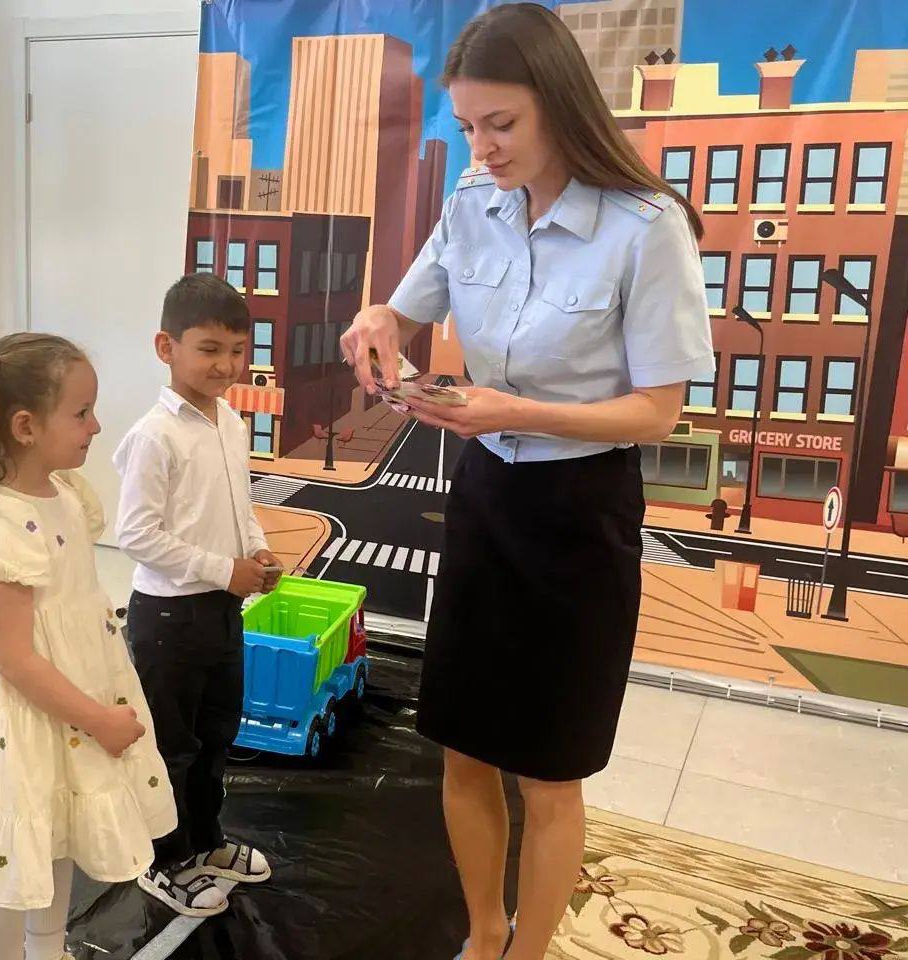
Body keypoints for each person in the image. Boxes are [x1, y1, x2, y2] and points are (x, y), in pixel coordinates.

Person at [340, 6, 715, 960]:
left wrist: (516, 410)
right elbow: (405, 307)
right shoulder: (475, 200)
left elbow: (656, 413)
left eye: (501, 123)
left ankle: (531, 950)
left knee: (550, 769)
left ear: (560, 102)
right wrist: (378, 318)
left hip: (579, 514)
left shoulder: (646, 227)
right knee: (463, 743)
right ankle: (483, 935)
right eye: (469, 126)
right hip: (488, 499)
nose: (484, 147)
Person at [0, 333, 176, 960]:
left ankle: (47, 950)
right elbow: (14, 659)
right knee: (15, 857)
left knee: (57, 845)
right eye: (81, 413)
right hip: (28, 718)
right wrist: (98, 719)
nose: (96, 425)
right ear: (25, 426)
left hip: (71, 701)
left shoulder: (68, 495)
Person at [114, 274, 281, 917]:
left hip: (220, 609)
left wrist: (256, 551)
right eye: (209, 349)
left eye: (237, 350)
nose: (226, 365)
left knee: (216, 734)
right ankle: (163, 861)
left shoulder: (229, 421)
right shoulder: (154, 435)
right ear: (167, 347)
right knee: (171, 747)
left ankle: (207, 843)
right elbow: (135, 534)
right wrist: (222, 569)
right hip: (168, 618)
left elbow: (239, 507)